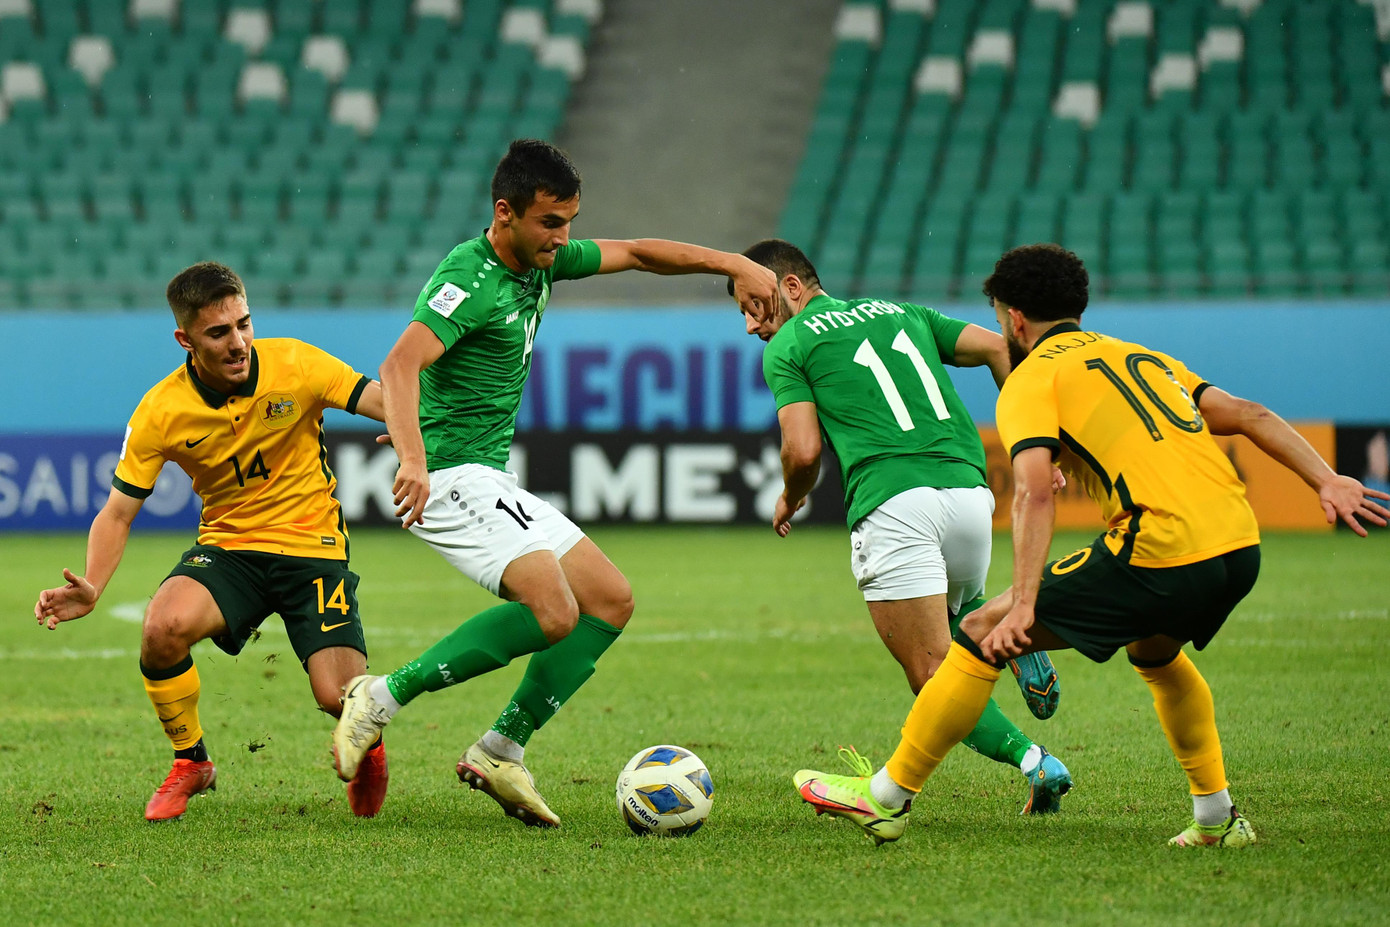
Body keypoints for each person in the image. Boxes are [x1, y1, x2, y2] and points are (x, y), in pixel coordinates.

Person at [793, 243, 1390, 846]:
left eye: (1000, 318)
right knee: (1154, 651)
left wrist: (1024, 602)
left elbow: (1034, 495)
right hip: (1239, 545)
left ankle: (886, 797)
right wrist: (1328, 478)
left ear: (1015, 319)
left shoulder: (1032, 379)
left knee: (978, 632)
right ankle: (1216, 819)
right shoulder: (1141, 356)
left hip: (1158, 546)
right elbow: (1248, 413)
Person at [330, 138, 778, 828]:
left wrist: (734, 262)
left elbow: (636, 251)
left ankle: (500, 748)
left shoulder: (539, 260)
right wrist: (414, 458)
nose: (563, 238)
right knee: (555, 610)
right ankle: (380, 696)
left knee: (609, 600)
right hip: (449, 477)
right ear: (504, 212)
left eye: (569, 221)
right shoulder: (469, 276)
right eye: (550, 222)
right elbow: (399, 365)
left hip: (486, 473)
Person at [34, 262, 392, 822]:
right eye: (219, 333)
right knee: (161, 628)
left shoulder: (296, 362)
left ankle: (370, 748)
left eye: (244, 324)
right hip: (230, 550)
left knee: (339, 698)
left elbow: (380, 398)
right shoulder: (161, 411)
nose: (238, 342)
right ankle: (191, 762)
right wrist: (94, 585)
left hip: (313, 548)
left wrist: (413, 435)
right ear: (185, 339)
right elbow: (117, 512)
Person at [734, 239, 1071, 816]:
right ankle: (1004, 637)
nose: (749, 325)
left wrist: (791, 496)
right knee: (958, 616)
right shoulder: (902, 312)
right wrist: (1033, 451)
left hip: (896, 506)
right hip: (970, 496)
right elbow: (998, 347)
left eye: (752, 304)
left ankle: (1034, 762)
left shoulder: (790, 343)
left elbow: (804, 447)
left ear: (790, 288)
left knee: (933, 672)